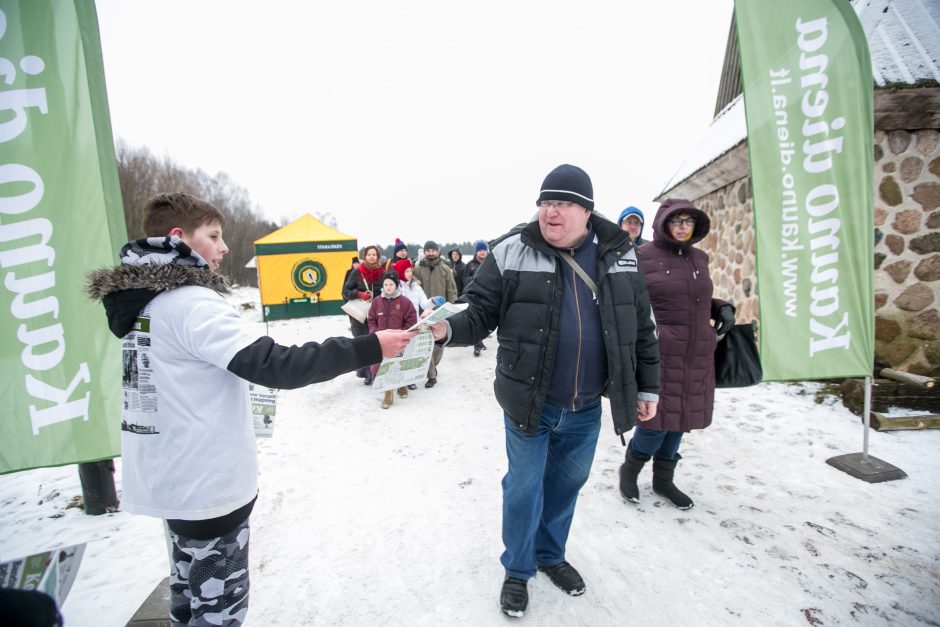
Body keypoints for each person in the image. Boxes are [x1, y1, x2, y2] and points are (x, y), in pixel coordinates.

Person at [85, 192, 414, 626]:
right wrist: (370, 345)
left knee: (187, 599)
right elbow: (277, 365)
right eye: (214, 236)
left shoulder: (142, 302)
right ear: (178, 238)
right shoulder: (190, 303)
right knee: (218, 611)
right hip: (207, 486)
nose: (224, 248)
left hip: (170, 479)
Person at [428, 164, 660, 618]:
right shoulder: (511, 250)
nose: (550, 213)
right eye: (544, 203)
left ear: (586, 211)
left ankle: (550, 554)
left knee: (566, 485)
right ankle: (517, 569)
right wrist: (443, 332)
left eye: (562, 204)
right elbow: (478, 313)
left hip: (588, 405)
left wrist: (647, 386)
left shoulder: (621, 254)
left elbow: (642, 330)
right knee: (524, 489)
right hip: (529, 401)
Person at [618, 198, 733, 511]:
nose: (683, 226)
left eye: (689, 221)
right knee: (655, 422)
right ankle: (630, 469)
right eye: (677, 220)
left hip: (696, 353)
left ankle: (663, 480)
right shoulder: (642, 256)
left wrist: (720, 306)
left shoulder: (701, 258)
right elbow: (629, 302)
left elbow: (694, 297)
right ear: (663, 223)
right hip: (661, 353)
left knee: (681, 419)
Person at [368, 271, 418, 408]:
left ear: (396, 285)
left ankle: (401, 385)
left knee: (398, 365)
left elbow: (412, 320)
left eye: (391, 284)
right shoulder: (377, 301)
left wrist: (403, 333)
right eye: (386, 284)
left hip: (398, 340)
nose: (388, 287)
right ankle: (388, 393)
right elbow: (371, 319)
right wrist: (374, 332)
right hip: (381, 340)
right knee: (384, 367)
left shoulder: (405, 302)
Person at [412, 240, 458, 388]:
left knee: (439, 344)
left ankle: (434, 366)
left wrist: (452, 308)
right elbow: (410, 284)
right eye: (428, 250)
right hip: (423, 313)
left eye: (433, 250)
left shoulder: (445, 269)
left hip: (440, 312)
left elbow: (451, 290)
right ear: (424, 252)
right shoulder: (417, 268)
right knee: (425, 343)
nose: (430, 253)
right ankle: (431, 375)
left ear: (438, 251)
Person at [342, 244, 386, 384]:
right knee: (362, 344)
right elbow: (345, 292)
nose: (372, 257)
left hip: (377, 314)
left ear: (378, 257)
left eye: (374, 254)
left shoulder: (383, 273)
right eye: (369, 254)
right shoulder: (357, 272)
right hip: (360, 316)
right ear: (365, 256)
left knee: (377, 343)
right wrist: (359, 294)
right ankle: (367, 374)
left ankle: (377, 372)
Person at [462, 240, 489, 356]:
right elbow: (464, 279)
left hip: (488, 296)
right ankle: (477, 345)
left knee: (486, 321)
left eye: (484, 250)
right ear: (476, 252)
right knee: (477, 320)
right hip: (475, 296)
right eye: (480, 250)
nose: (482, 252)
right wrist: (476, 278)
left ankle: (480, 341)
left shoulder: (491, 263)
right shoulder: (470, 265)